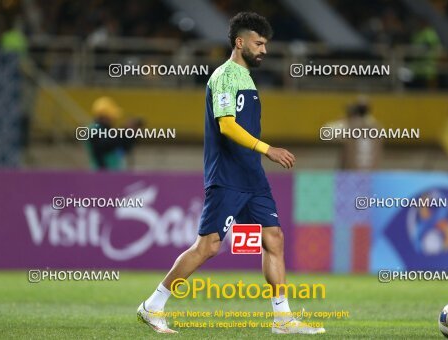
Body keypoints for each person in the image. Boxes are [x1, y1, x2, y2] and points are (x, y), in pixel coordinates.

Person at [137, 12, 325, 335]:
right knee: (208, 246)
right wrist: (268, 149)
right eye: (259, 43)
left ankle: (282, 318)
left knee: (273, 238)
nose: (264, 50)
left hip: (252, 176)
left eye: (266, 44)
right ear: (240, 43)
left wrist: (259, 159)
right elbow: (226, 126)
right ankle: (153, 305)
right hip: (226, 176)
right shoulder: (224, 76)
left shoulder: (247, 78)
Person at [86, 96, 140, 170]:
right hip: (101, 172)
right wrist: (124, 132)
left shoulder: (107, 130)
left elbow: (123, 147)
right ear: (104, 116)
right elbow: (104, 145)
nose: (113, 119)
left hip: (113, 172)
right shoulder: (94, 129)